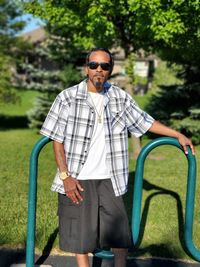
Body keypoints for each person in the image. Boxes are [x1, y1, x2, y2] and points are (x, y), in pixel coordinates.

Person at [40, 48, 195, 267]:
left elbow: (145, 122)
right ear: (86, 68)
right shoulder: (67, 98)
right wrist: (66, 176)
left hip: (110, 178)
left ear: (110, 70)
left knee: (120, 237)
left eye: (105, 66)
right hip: (78, 177)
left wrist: (177, 134)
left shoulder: (119, 98)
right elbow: (57, 140)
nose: (99, 70)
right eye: (94, 65)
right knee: (82, 239)